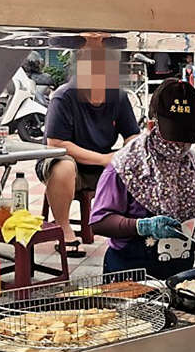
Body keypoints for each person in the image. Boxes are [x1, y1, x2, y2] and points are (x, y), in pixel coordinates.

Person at [90, 79, 195, 278]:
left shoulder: (194, 166)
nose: (180, 144)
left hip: (179, 271)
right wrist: (142, 226)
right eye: (174, 136)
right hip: (130, 272)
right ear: (152, 125)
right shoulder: (126, 166)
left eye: (186, 137)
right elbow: (99, 222)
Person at [38, 46, 140, 256]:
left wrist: (125, 153)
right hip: (63, 162)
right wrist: (104, 159)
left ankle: (131, 226)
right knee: (64, 166)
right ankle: (64, 231)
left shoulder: (118, 97)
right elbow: (56, 143)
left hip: (101, 164)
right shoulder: (63, 97)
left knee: (137, 164)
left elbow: (133, 135)